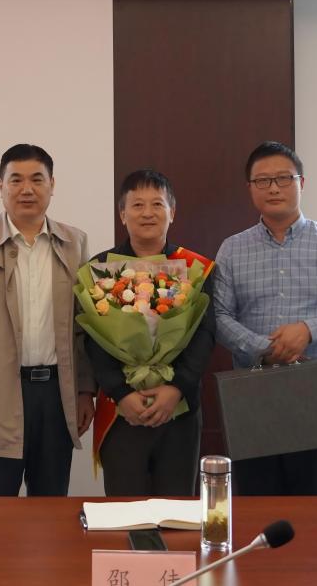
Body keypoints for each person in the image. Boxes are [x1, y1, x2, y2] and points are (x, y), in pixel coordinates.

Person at [214, 141, 317, 496]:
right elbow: (219, 316)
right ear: (250, 188)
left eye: (283, 178)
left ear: (301, 182)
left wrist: (308, 331)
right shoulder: (232, 248)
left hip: (314, 390)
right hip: (251, 389)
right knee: (255, 501)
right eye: (263, 180)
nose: (273, 187)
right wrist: (263, 346)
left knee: (314, 502)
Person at [0, 143, 95, 496]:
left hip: (57, 395)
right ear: (1, 186)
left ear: (52, 185)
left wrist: (85, 390)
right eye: (16, 180)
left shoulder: (74, 243)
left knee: (51, 504)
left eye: (37, 179)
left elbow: (84, 328)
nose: (26, 189)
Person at [85, 169, 216, 496]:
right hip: (122, 412)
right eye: (137, 205)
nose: (147, 213)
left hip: (179, 411)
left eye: (157, 204)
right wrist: (121, 393)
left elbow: (205, 334)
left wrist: (176, 388)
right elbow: (92, 340)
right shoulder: (100, 269)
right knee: (125, 511)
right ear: (122, 214)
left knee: (176, 510)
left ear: (172, 212)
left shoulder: (195, 268)